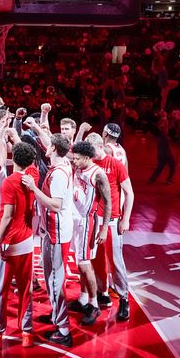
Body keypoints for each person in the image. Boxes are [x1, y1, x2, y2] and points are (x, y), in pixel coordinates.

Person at [0, 142, 39, 350]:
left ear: (13, 158)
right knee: (26, 288)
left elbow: (7, 215)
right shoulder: (33, 177)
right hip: (27, 240)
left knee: (1, 289)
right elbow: (32, 163)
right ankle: (27, 332)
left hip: (10, 242)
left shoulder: (9, 182)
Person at [26, 133, 74, 346]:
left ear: (54, 148)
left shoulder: (59, 174)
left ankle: (63, 330)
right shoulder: (61, 164)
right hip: (52, 231)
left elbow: (55, 204)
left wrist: (33, 188)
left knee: (55, 281)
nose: (44, 146)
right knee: (50, 278)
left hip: (57, 232)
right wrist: (37, 126)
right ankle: (57, 316)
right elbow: (50, 142)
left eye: (48, 145)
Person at [86, 133, 133, 321]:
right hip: (93, 219)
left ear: (100, 146)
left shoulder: (115, 164)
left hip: (112, 219)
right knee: (96, 259)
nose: (89, 154)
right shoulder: (89, 164)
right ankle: (102, 293)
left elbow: (129, 193)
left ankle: (124, 298)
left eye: (92, 151)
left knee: (115, 261)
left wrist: (126, 219)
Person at [68, 140, 111, 326]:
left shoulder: (98, 174)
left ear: (87, 158)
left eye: (77, 158)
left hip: (87, 222)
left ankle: (94, 305)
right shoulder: (78, 167)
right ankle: (84, 298)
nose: (74, 161)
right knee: (79, 263)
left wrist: (104, 228)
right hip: (75, 220)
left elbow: (108, 202)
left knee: (85, 264)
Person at [149, 111, 176, 184]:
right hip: (166, 154)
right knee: (172, 165)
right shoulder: (164, 136)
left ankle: (152, 179)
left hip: (160, 153)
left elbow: (163, 127)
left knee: (160, 166)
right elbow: (165, 128)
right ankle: (169, 179)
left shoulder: (159, 135)